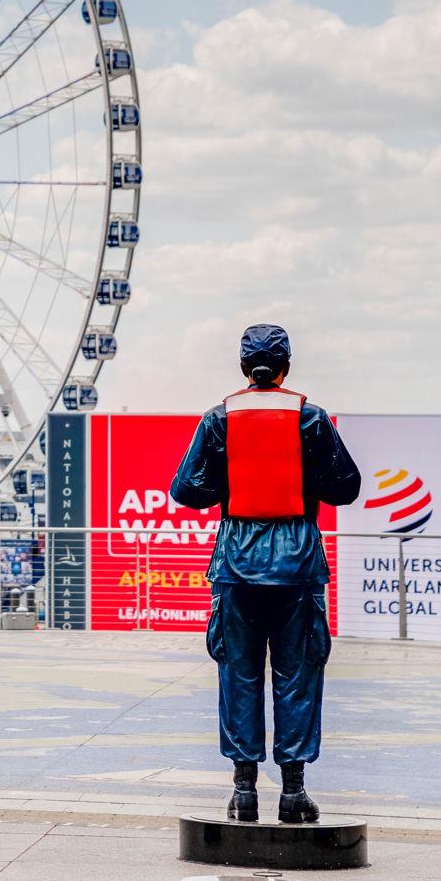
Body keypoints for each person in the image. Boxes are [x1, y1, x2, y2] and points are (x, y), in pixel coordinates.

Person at [170, 323, 361, 824]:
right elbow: (346, 487)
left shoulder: (217, 421)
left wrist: (230, 479)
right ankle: (294, 793)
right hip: (298, 564)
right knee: (298, 675)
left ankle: (243, 791)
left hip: (236, 564)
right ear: (286, 368)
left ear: (242, 369)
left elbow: (188, 490)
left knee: (239, 673)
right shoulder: (311, 419)